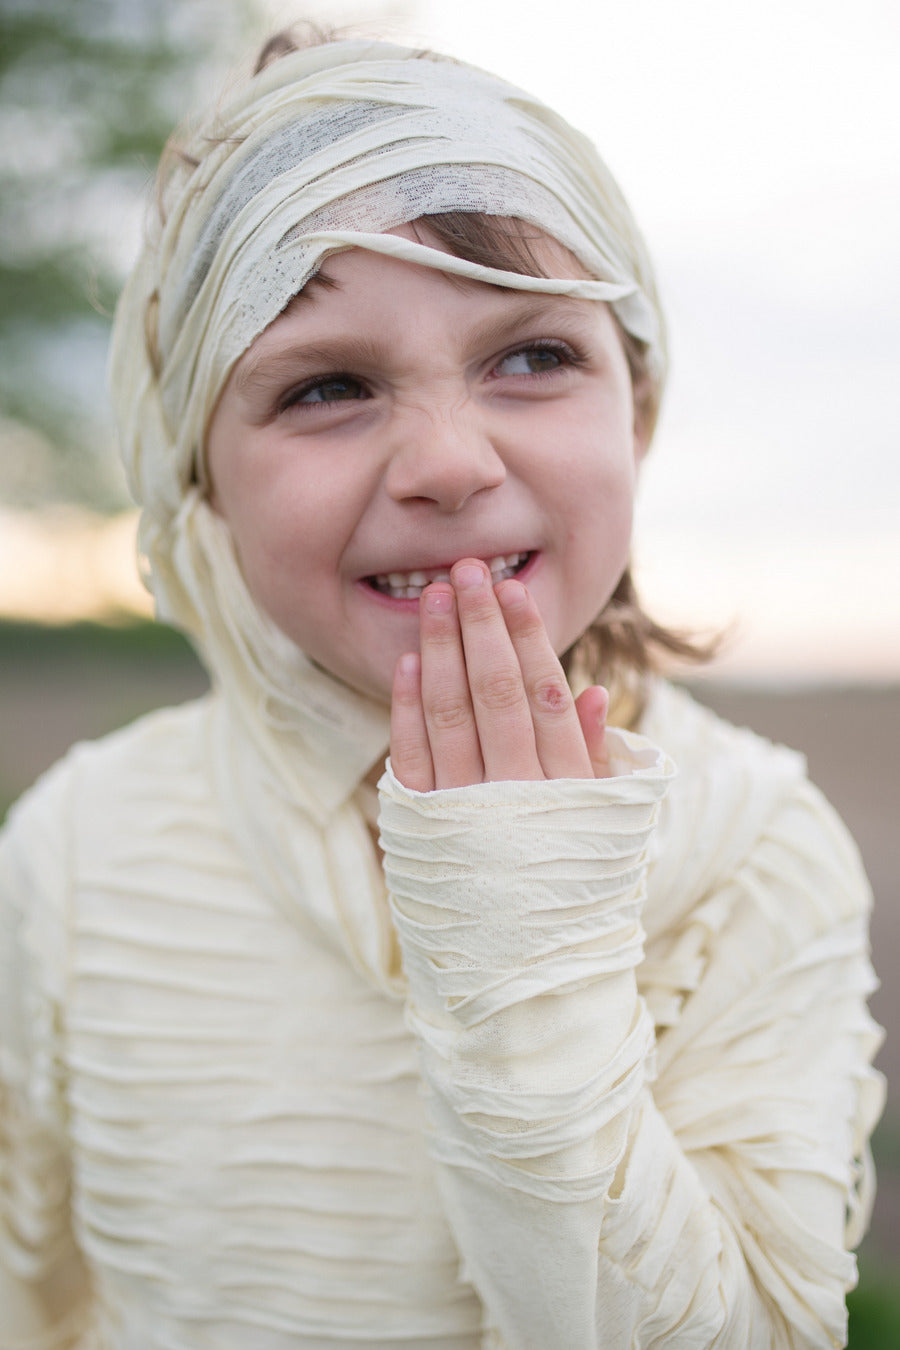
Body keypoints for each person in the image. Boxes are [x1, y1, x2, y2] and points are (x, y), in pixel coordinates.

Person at [0, 29, 885, 1350]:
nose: (451, 463)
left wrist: (526, 955)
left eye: (529, 356)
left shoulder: (757, 850)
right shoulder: (77, 852)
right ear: (200, 481)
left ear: (634, 412)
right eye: (329, 386)